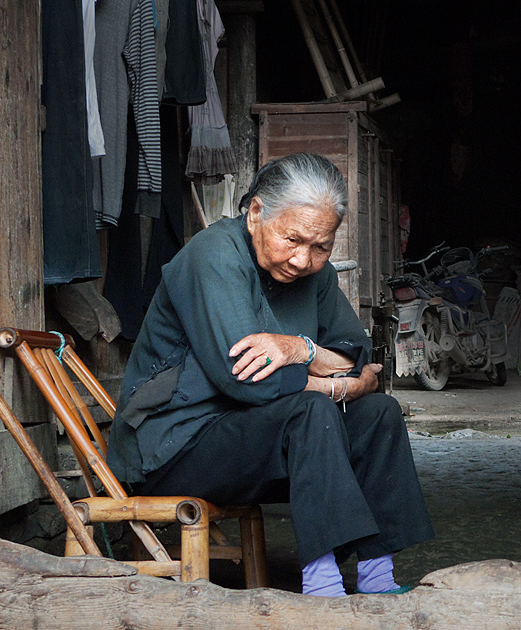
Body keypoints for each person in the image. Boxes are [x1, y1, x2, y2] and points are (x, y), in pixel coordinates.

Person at [107, 152, 434, 596]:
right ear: (257, 212)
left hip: (255, 436)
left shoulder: (312, 271)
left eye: (321, 246)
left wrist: (299, 348)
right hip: (176, 446)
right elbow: (244, 380)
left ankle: (378, 576)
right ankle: (322, 585)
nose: (303, 259)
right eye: (292, 239)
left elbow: (357, 354)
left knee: (379, 412)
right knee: (311, 410)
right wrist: (337, 384)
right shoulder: (213, 256)